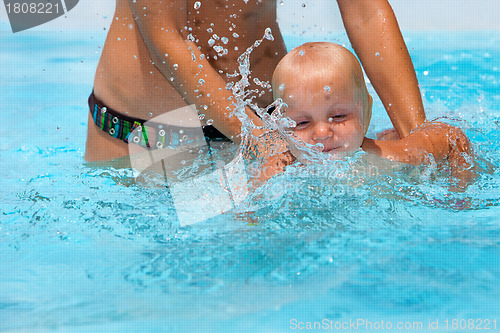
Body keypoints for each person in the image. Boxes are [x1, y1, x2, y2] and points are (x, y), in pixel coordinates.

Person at [85, 0, 426, 163]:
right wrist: (266, 144)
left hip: (279, 124)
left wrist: (418, 134)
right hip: (152, 137)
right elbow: (167, 41)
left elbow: (363, 12)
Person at [265, 42, 474, 187]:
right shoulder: (278, 170)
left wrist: (459, 191)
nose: (321, 133)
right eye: (301, 122)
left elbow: (452, 138)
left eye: (338, 117)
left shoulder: (387, 156)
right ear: (282, 127)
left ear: (366, 113)